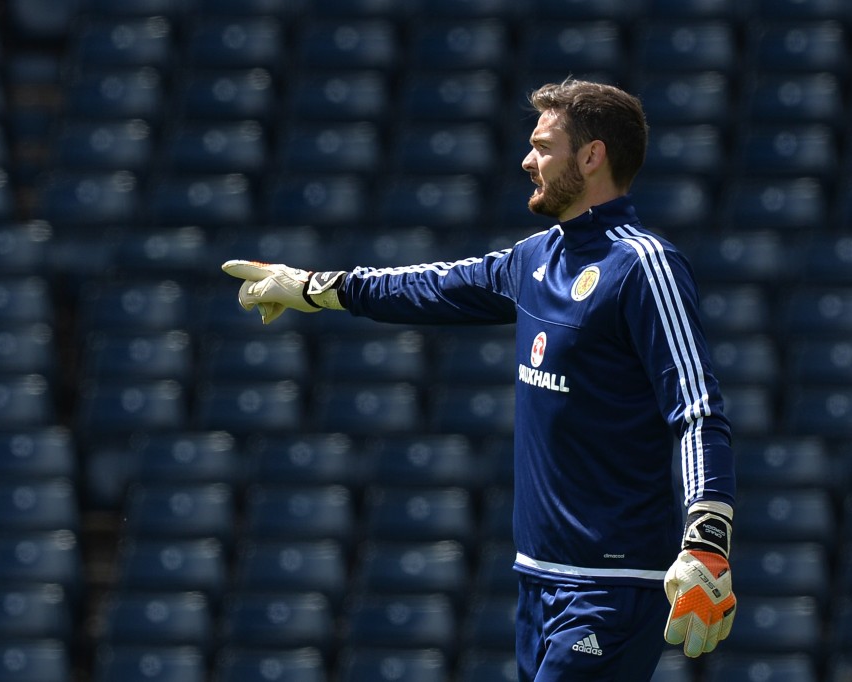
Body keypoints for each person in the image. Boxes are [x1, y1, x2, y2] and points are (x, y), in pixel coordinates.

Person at [223, 78, 736, 681]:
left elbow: (698, 407)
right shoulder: (535, 257)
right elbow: (431, 284)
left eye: (544, 146)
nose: (527, 160)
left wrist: (707, 536)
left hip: (612, 586)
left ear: (592, 156)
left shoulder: (643, 266)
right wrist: (316, 288)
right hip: (536, 576)